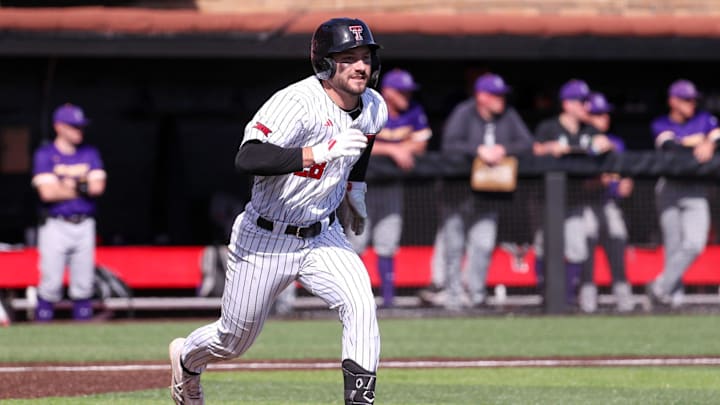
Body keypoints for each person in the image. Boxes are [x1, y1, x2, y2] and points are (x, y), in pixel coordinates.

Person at [168, 17, 387, 405]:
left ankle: (360, 401)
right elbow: (248, 157)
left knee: (360, 302)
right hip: (266, 237)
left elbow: (363, 143)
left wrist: (356, 188)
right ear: (324, 62)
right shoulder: (297, 101)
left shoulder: (373, 105)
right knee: (232, 340)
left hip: (323, 234)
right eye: (348, 57)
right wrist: (316, 153)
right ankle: (187, 361)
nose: (361, 66)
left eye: (365, 56)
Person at [437, 72, 533, 309]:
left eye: (502, 95)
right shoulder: (464, 112)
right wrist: (478, 150)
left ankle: (477, 296)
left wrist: (503, 149)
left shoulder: (508, 116)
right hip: (456, 194)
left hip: (489, 195)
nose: (501, 99)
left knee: (483, 245)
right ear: (482, 96)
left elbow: (527, 144)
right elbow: (449, 145)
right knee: (454, 246)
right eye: (496, 95)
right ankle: (454, 297)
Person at [347, 68, 432, 308]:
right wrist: (394, 149)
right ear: (388, 92)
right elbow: (356, 141)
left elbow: (421, 145)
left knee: (387, 240)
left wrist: (399, 146)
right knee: (357, 242)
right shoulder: (369, 106)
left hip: (392, 185)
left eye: (408, 91)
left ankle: (388, 299)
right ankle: (354, 297)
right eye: (401, 92)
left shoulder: (413, 111)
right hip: (360, 185)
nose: (406, 96)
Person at [532, 79, 614, 307]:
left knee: (577, 248)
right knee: (543, 247)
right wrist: (550, 148)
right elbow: (533, 150)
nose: (586, 107)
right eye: (581, 102)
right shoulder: (549, 127)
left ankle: (567, 298)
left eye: (587, 103)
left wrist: (603, 144)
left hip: (575, 198)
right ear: (567, 104)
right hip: (545, 200)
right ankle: (545, 295)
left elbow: (606, 145)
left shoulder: (589, 130)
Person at [646, 79, 719, 308]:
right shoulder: (661, 123)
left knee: (695, 244)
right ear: (672, 101)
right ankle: (671, 300)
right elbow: (671, 148)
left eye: (693, 99)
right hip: (669, 187)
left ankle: (659, 288)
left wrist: (709, 142)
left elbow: (717, 135)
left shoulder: (704, 119)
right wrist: (700, 141)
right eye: (686, 99)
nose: (691, 104)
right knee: (673, 245)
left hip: (696, 188)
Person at [31, 103, 106, 322]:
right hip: (55, 223)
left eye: (80, 126)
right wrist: (81, 185)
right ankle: (41, 340)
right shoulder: (45, 154)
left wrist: (63, 184)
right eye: (73, 126)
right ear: (59, 127)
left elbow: (97, 187)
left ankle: (82, 342)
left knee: (83, 285)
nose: (78, 131)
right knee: (50, 284)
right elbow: (47, 193)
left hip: (84, 223)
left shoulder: (89, 152)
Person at [578, 92, 635, 313]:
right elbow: (575, 181)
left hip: (609, 203)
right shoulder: (582, 140)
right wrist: (595, 182)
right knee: (587, 246)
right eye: (597, 114)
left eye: (605, 114)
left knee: (618, 240)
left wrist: (624, 182)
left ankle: (624, 299)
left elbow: (626, 176)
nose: (603, 118)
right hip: (583, 204)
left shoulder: (616, 143)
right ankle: (587, 300)